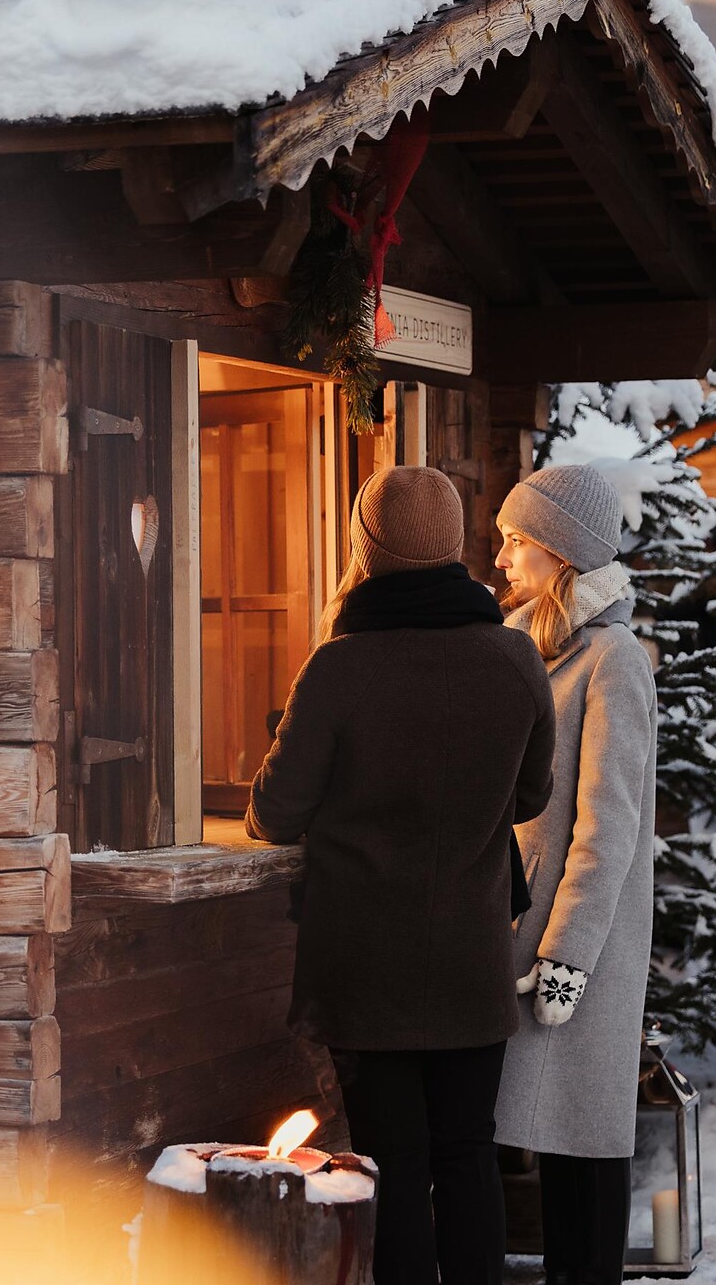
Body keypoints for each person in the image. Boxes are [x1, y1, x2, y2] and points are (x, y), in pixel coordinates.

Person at [247, 466, 557, 1285]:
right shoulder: (515, 658)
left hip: (366, 967)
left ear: (367, 548)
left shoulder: (339, 667)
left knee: (390, 1166)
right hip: (471, 959)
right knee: (467, 1157)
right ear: (453, 546)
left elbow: (273, 815)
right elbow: (533, 793)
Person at [490, 464, 660, 1285]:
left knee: (583, 1149)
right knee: (544, 1142)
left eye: (517, 541)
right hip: (527, 931)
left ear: (561, 552)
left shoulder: (615, 659)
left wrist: (569, 954)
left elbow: (610, 823)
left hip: (576, 946)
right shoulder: (536, 645)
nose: (502, 557)